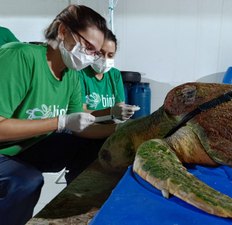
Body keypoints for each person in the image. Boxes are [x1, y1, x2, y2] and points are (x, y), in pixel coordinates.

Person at [0, 5, 134, 225]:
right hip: (5, 150)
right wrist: (59, 121)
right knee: (26, 181)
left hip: (27, 146)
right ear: (63, 31)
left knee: (96, 148)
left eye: (95, 52)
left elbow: (80, 126)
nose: (90, 57)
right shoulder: (20, 57)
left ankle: (79, 208)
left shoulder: (71, 75)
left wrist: (121, 130)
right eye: (88, 47)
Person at [79, 29, 135, 120]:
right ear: (91, 50)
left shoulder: (115, 75)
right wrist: (110, 111)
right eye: (100, 53)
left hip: (110, 124)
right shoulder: (80, 74)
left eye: (110, 55)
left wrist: (125, 112)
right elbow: (80, 113)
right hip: (88, 127)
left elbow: (119, 108)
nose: (104, 59)